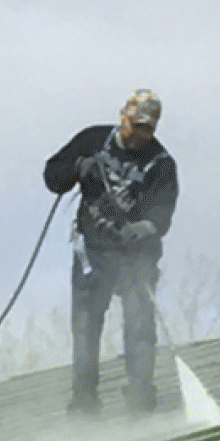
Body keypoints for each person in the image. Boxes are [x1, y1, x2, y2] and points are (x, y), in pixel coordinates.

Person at [42, 88, 179, 417]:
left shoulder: (161, 164)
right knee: (86, 326)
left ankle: (140, 398)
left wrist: (145, 227)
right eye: (136, 125)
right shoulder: (92, 140)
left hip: (137, 258)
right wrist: (77, 167)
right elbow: (52, 175)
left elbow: (163, 211)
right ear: (123, 116)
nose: (140, 134)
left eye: (148, 128)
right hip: (94, 254)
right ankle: (85, 401)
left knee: (140, 325)